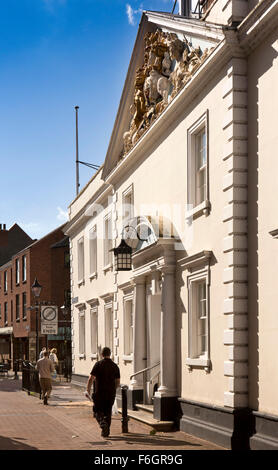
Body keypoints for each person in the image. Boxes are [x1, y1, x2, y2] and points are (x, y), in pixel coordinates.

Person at [86, 347, 120, 438]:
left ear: (102, 354)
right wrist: (114, 389)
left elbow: (91, 378)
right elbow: (118, 381)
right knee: (108, 412)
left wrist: (88, 390)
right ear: (110, 354)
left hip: (99, 393)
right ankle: (106, 432)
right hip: (110, 393)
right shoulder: (115, 366)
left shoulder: (98, 364)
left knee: (97, 410)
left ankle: (102, 423)